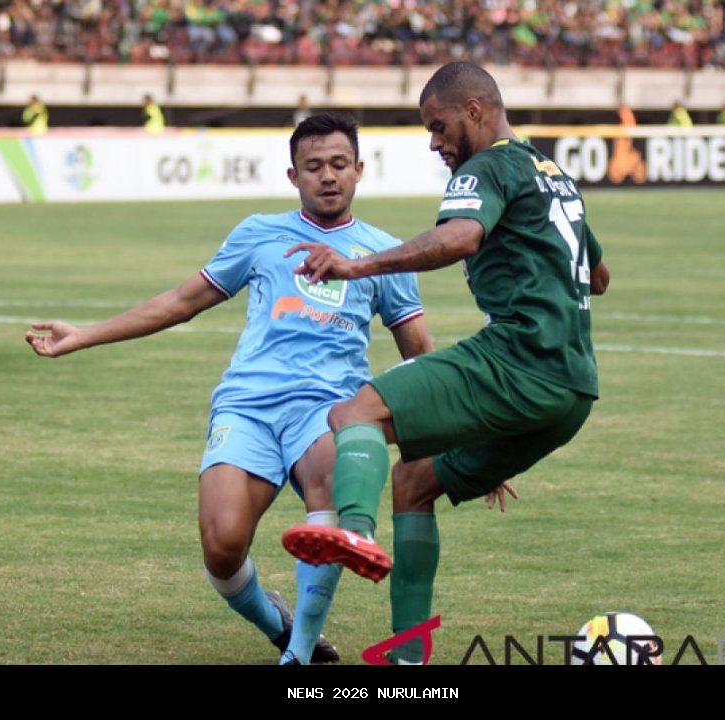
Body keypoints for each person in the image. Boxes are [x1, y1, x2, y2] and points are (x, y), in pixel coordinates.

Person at [25, 112, 434, 664]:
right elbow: (180, 303)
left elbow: (420, 354)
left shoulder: (385, 252)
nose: (328, 176)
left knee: (327, 477)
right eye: (313, 167)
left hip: (330, 407)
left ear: (360, 170)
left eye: (339, 164)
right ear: (293, 176)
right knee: (221, 547)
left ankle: (301, 657)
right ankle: (280, 626)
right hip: (247, 406)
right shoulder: (259, 233)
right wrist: (86, 334)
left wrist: (461, 435)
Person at [281, 62, 610, 664]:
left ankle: (353, 528)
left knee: (357, 410)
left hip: (518, 360)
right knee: (414, 479)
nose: (436, 144)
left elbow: (459, 238)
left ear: (475, 111)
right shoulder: (555, 174)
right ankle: (409, 665)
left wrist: (358, 265)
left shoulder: (488, 166)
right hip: (572, 392)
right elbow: (600, 276)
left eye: (438, 127)